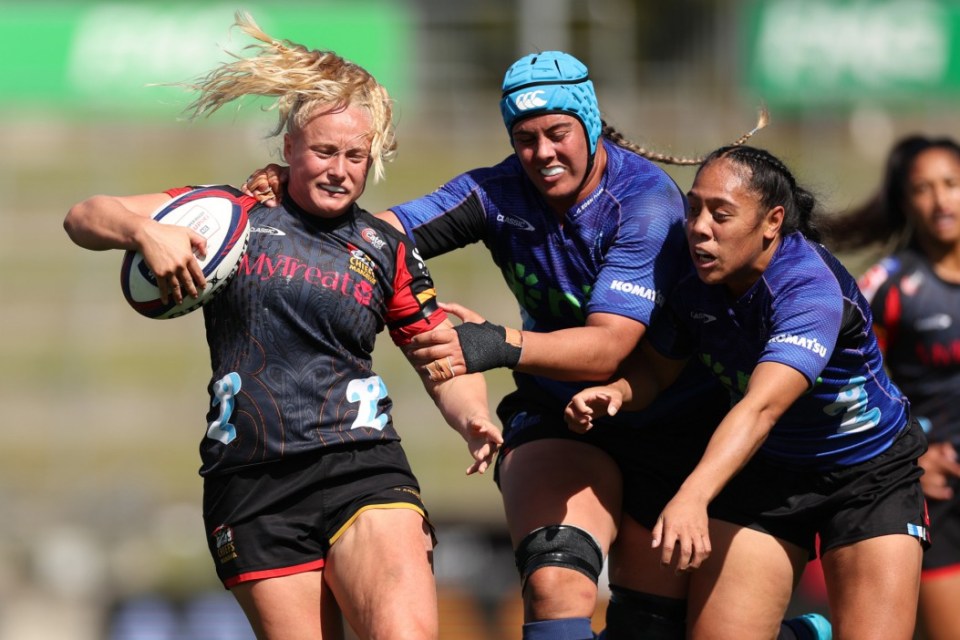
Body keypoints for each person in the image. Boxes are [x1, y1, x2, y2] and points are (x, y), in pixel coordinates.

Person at [245, 52, 828, 639]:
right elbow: (369, 239)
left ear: (591, 125)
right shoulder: (495, 193)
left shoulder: (645, 202)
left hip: (671, 419)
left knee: (650, 630)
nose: (543, 153)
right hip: (560, 416)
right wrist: (291, 197)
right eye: (525, 138)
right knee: (556, 586)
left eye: (558, 133)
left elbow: (609, 350)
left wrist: (496, 342)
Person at [63, 12, 502, 640]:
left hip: (363, 464)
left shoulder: (386, 248)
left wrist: (473, 417)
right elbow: (84, 215)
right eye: (325, 151)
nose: (340, 169)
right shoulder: (228, 216)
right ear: (289, 147)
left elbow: (437, 353)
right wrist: (143, 232)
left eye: (356, 156)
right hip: (252, 479)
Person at [564, 144, 929, 640]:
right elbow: (656, 371)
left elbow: (760, 408)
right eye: (693, 208)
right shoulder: (693, 284)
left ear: (772, 221)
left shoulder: (809, 289)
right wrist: (620, 392)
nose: (698, 227)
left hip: (868, 475)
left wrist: (693, 495)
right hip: (767, 471)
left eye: (721, 214)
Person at [829, 135, 960, 640]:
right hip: (939, 494)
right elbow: (851, 379)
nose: (941, 200)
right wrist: (914, 453)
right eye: (924, 189)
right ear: (906, 202)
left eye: (951, 184)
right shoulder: (888, 286)